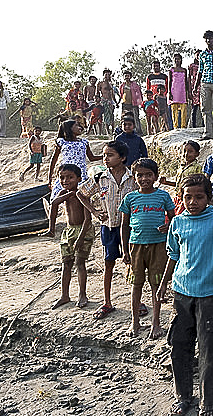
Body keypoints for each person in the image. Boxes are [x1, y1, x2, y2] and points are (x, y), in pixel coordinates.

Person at [156, 173, 213, 416]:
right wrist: (163, 285)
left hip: (209, 294)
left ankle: (211, 400)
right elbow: (173, 254)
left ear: (208, 197)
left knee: (208, 349)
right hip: (181, 293)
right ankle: (183, 396)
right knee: (179, 345)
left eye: (199, 197)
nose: (192, 202)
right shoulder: (178, 222)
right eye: (187, 197)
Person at [119, 158, 175, 338]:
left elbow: (174, 218)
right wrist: (125, 250)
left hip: (159, 245)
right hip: (136, 246)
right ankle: (134, 322)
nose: (144, 179)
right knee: (136, 285)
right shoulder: (130, 198)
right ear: (134, 177)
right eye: (140, 175)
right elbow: (124, 225)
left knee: (156, 285)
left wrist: (168, 226)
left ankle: (156, 323)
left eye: (149, 175)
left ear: (156, 176)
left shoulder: (163, 196)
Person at [89, 140, 137, 320]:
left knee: (131, 262)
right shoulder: (100, 177)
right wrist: (95, 211)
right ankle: (107, 301)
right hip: (108, 226)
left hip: (130, 227)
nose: (105, 158)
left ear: (122, 158)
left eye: (110, 155)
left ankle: (136, 300)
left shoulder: (133, 178)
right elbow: (81, 193)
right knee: (108, 263)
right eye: (104, 155)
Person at [42, 164, 94, 310]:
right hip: (69, 231)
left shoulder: (83, 194)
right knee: (66, 264)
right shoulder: (63, 194)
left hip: (83, 230)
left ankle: (82, 294)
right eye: (62, 178)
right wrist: (51, 229)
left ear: (79, 178)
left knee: (79, 263)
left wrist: (81, 238)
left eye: (70, 177)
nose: (65, 181)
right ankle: (64, 295)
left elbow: (87, 219)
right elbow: (54, 204)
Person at [47, 119, 100, 198]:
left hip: (80, 173)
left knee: (80, 196)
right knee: (61, 195)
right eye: (77, 125)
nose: (80, 128)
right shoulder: (62, 142)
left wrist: (104, 156)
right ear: (70, 128)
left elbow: (91, 158)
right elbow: (54, 160)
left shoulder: (84, 142)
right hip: (66, 172)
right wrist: (50, 177)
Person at [159, 140, 203, 215]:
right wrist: (166, 182)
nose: (186, 154)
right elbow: (178, 184)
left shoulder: (197, 168)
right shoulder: (181, 168)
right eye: (184, 151)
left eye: (190, 151)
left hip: (188, 198)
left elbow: (199, 184)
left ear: (197, 154)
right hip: (178, 198)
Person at [169, 53, 189, 129]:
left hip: (182, 91)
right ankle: (176, 126)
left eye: (178, 59)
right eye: (175, 59)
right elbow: (170, 81)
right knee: (174, 109)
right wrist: (169, 92)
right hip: (174, 90)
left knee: (184, 108)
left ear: (181, 60)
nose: (177, 61)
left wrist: (188, 92)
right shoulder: (172, 70)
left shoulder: (184, 70)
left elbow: (186, 81)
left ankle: (183, 125)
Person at [99, 69, 117, 134]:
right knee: (106, 116)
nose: (107, 76)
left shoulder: (111, 84)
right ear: (103, 75)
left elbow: (112, 94)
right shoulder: (101, 83)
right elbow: (97, 93)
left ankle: (112, 131)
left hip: (110, 101)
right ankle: (107, 131)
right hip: (103, 100)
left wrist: (115, 102)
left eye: (108, 74)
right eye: (106, 74)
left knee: (112, 115)